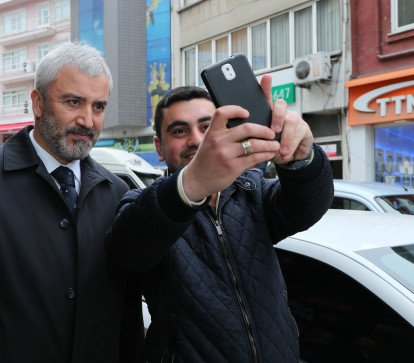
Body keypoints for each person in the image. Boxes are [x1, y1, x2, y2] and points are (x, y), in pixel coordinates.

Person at [0, 42, 144, 362]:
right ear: (38, 103)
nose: (88, 120)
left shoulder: (117, 191)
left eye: (98, 106)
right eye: (74, 102)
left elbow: (127, 314)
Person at [106, 85, 334, 362]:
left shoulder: (253, 191)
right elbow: (128, 249)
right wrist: (192, 184)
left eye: (207, 127)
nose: (197, 140)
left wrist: (301, 159)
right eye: (179, 131)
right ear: (159, 148)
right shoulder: (142, 202)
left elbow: (308, 206)